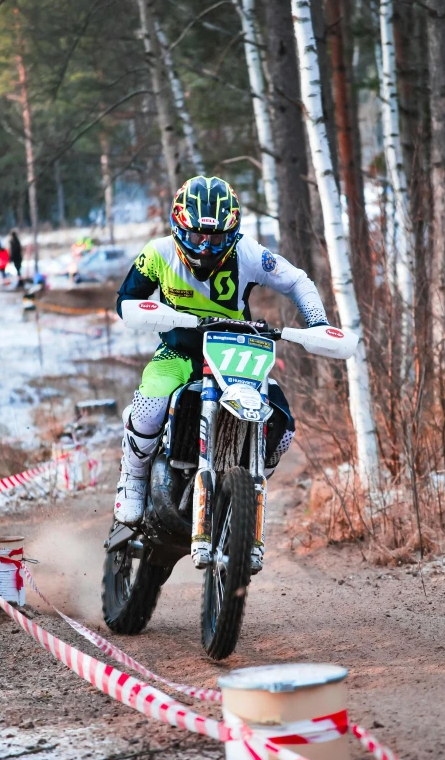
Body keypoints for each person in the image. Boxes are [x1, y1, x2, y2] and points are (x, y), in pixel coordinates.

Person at [114, 176, 329, 525]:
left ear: (232, 232)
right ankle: (133, 479)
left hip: (235, 353)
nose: (205, 246)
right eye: (197, 234)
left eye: (215, 237)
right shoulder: (158, 253)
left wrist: (317, 321)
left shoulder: (248, 252)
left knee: (283, 426)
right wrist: (148, 315)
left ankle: (247, 489)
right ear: (179, 225)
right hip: (180, 353)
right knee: (150, 403)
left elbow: (296, 281)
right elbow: (126, 301)